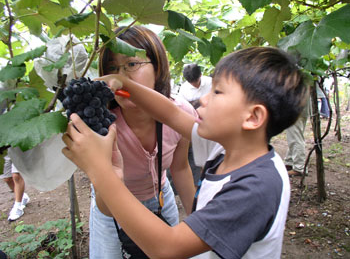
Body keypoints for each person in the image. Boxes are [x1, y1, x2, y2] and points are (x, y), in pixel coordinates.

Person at [62, 46, 309, 258]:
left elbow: (166, 248)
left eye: (218, 92)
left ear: (253, 117)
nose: (203, 99)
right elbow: (169, 113)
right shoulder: (226, 147)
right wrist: (124, 83)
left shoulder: (256, 188)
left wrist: (99, 170)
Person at [88, 25, 196, 258]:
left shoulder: (181, 113)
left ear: (158, 67)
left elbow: (180, 168)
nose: (121, 78)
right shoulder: (102, 124)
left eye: (131, 65)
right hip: (113, 209)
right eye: (113, 68)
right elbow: (106, 206)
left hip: (160, 201)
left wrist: (200, 223)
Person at [284, 100, 310, 177]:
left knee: (295, 138)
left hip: (295, 106)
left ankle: (299, 168)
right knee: (294, 136)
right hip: (300, 104)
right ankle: (290, 162)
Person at [1, 155, 30, 221]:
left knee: (16, 176)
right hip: (8, 149)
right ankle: (23, 196)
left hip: (18, 150)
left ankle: (18, 208)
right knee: (7, 179)